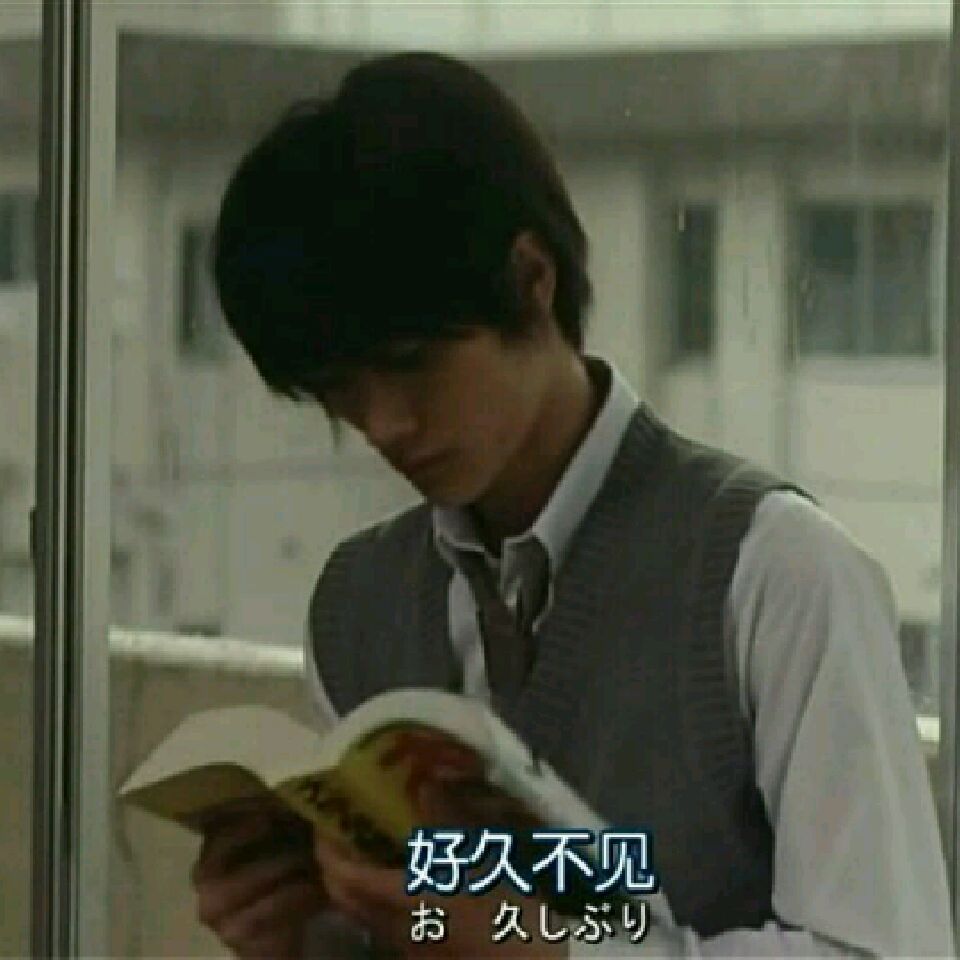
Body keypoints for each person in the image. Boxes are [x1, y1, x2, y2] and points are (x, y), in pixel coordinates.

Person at [190, 51, 954, 959]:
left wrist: (551, 950)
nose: (384, 424)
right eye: (340, 393)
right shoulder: (360, 605)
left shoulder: (775, 570)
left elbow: (887, 950)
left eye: (411, 365)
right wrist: (300, 936)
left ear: (531, 278)